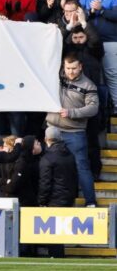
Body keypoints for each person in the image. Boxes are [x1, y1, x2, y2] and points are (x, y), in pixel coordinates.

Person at [49, 54, 100, 206]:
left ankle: (91, 202)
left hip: (74, 132)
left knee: (82, 167)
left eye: (74, 68)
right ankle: (46, 202)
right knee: (48, 167)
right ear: (63, 67)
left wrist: (72, 112)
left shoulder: (89, 85)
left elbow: (93, 108)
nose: (70, 72)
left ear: (80, 67)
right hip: (52, 129)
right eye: (68, 68)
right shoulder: (55, 78)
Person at [38, 126, 78, 207]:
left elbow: (45, 182)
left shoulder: (47, 158)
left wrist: (42, 201)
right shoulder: (70, 155)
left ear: (46, 139)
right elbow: (74, 177)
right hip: (69, 198)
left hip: (54, 201)